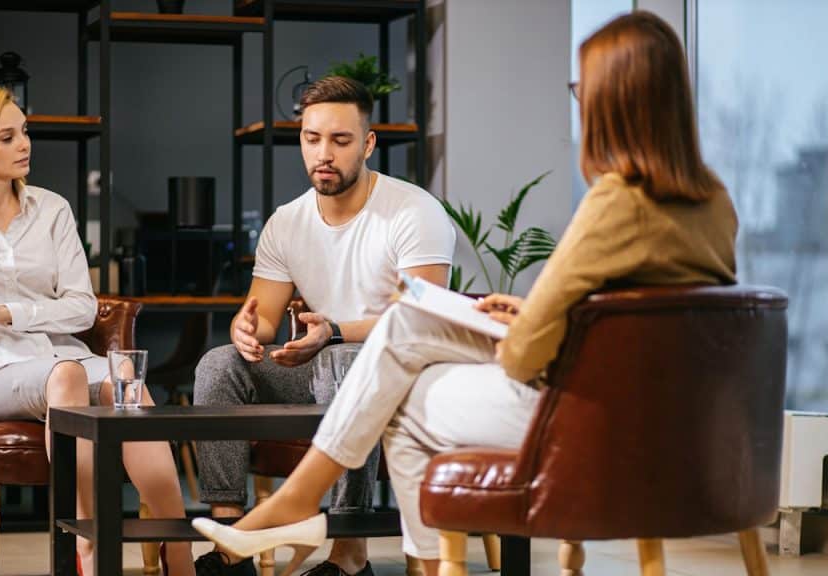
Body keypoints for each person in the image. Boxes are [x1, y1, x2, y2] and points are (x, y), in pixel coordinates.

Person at [192, 10, 738, 576]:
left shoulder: (613, 204)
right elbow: (630, 316)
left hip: (582, 414)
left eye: (582, 90)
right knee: (398, 356)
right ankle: (326, 523)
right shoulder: (713, 201)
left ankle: (305, 511)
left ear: (614, 102)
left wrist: (522, 327)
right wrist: (528, 312)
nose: (578, 102)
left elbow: (527, 355)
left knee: (398, 373)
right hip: (658, 416)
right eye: (312, 138)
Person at [0, 83, 194, 576]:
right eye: (7, 137)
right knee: (68, 375)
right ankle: (88, 547)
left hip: (57, 356)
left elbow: (81, 308)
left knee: (127, 384)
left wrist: (6, 312)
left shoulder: (52, 210)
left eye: (24, 132)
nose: (25, 145)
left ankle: (180, 555)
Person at [191, 76, 455, 576]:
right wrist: (246, 329)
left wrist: (333, 332)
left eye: (340, 140)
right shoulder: (287, 222)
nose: (324, 154)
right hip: (319, 363)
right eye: (312, 139)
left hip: (403, 375)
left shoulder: (414, 211)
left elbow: (422, 321)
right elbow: (263, 319)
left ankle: (349, 553)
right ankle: (231, 540)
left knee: (343, 361)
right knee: (218, 365)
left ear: (368, 144)